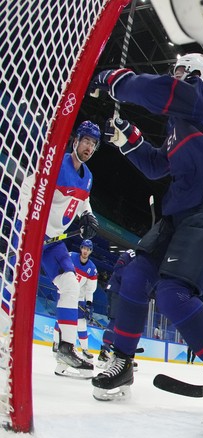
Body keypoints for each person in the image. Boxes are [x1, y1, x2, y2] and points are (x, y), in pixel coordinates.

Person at [88, 53, 203, 401]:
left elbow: (163, 91)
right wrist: (131, 141)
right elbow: (158, 166)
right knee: (133, 273)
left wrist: (116, 80)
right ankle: (123, 362)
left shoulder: (201, 94)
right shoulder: (182, 123)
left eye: (179, 70)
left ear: (196, 72)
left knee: (173, 292)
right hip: (184, 206)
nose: (174, 75)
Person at [42, 121, 101, 376]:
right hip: (33, 236)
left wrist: (89, 216)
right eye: (86, 140)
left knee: (71, 285)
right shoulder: (55, 164)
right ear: (75, 141)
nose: (89, 147)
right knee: (15, 288)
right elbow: (31, 189)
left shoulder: (87, 177)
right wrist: (29, 229)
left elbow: (83, 201)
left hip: (54, 242)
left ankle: (65, 348)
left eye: (93, 144)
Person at [53, 239, 99, 377]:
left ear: (91, 251)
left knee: (82, 324)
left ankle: (83, 349)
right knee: (61, 321)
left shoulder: (92, 268)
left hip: (79, 298)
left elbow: (90, 289)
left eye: (88, 249)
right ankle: (57, 344)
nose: (85, 251)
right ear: (81, 248)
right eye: (84, 248)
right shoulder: (71, 256)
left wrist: (89, 304)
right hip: (64, 291)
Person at [98, 248, 136, 364]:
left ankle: (123, 355)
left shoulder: (144, 260)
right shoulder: (131, 253)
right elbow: (119, 268)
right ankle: (104, 351)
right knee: (116, 320)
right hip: (117, 291)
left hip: (125, 294)